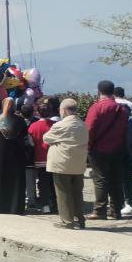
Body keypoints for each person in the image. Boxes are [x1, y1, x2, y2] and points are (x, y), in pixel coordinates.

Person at [85, 79, 130, 219]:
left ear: (99, 92)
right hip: (118, 148)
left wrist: (88, 146)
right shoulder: (121, 109)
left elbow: (90, 129)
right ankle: (116, 210)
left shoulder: (96, 108)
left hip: (99, 149)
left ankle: (99, 210)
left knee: (100, 179)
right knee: (116, 179)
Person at [44, 97, 89, 229]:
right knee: (77, 193)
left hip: (62, 164)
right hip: (78, 164)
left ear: (63, 110)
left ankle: (67, 221)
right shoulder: (82, 124)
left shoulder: (60, 125)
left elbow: (46, 138)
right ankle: (80, 219)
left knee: (63, 193)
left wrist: (57, 142)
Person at [0, 97, 28, 215]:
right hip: (15, 152)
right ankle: (13, 206)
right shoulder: (20, 121)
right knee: (13, 179)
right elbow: (24, 137)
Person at [27, 98, 56, 214]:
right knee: (53, 183)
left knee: (43, 183)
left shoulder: (33, 126)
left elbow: (30, 143)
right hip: (53, 158)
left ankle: (45, 205)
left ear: (38, 112)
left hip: (39, 158)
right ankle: (55, 204)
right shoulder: (55, 125)